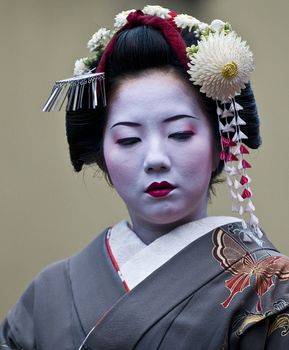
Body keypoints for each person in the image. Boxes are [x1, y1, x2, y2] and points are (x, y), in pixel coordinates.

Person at [1, 5, 289, 350]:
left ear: (220, 144)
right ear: (103, 156)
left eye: (180, 134)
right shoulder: (47, 297)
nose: (155, 159)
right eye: (128, 140)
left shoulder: (269, 287)